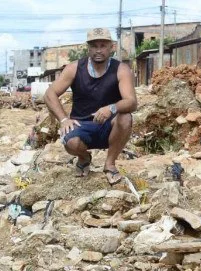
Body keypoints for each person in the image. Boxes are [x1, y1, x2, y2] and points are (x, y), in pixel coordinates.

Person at [44, 28, 137, 184]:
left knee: (126, 118)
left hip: (109, 126)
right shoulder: (74, 68)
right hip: (81, 124)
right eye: (94, 46)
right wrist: (63, 119)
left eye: (103, 45)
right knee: (70, 142)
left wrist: (111, 108)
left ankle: (110, 164)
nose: (98, 50)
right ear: (88, 48)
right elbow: (49, 94)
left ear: (111, 47)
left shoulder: (121, 69)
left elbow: (132, 102)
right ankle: (84, 157)